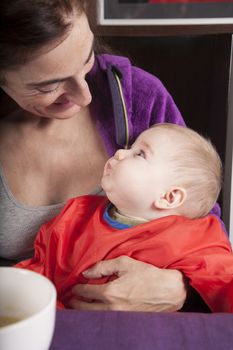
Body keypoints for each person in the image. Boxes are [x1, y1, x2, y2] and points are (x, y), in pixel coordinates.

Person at [0, 0, 227, 312]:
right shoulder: (74, 219)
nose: (85, 95)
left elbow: (202, 220)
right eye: (49, 86)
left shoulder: (139, 96)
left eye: (86, 60)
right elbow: (44, 264)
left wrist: (180, 287)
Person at [17, 124, 233, 312]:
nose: (120, 153)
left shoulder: (196, 239)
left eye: (140, 154)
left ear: (169, 197)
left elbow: (225, 283)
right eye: (131, 148)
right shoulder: (76, 215)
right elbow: (39, 270)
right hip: (68, 326)